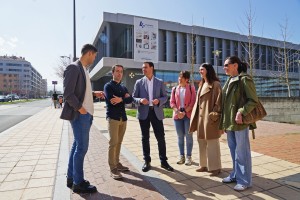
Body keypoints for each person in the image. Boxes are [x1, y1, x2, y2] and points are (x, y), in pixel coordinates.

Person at [60, 44, 104, 194]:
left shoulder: (83, 69)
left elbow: (80, 91)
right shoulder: (74, 67)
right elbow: (68, 94)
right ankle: (78, 183)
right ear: (90, 53)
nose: (94, 58)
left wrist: (93, 93)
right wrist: (81, 109)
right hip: (81, 115)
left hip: (85, 115)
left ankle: (71, 178)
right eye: (95, 56)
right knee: (82, 149)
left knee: (76, 147)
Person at [219, 56, 258, 191]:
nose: (224, 67)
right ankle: (235, 175)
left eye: (226, 65)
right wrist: (223, 123)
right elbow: (225, 104)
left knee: (242, 152)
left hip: (240, 122)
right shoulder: (229, 80)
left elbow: (253, 100)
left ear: (235, 65)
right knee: (233, 150)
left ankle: (245, 181)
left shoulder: (245, 79)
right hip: (230, 122)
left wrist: (241, 111)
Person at [132, 61, 174, 172]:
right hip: (144, 113)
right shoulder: (139, 82)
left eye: (145, 67)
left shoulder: (159, 82)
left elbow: (165, 97)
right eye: (142, 68)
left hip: (156, 113)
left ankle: (164, 161)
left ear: (152, 68)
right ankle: (147, 161)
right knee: (145, 138)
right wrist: (140, 100)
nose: (143, 69)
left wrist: (159, 100)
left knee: (161, 138)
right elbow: (133, 97)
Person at [189, 63, 222, 176]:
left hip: (210, 119)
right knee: (201, 142)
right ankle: (203, 165)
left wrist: (214, 115)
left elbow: (219, 102)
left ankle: (216, 167)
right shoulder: (202, 84)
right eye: (199, 70)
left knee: (212, 143)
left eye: (202, 69)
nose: (200, 71)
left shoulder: (216, 84)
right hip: (200, 119)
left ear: (208, 70)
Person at [104, 64, 133, 179]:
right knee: (113, 143)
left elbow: (129, 99)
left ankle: (117, 163)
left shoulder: (123, 87)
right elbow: (112, 101)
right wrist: (124, 98)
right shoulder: (108, 86)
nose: (119, 73)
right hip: (113, 118)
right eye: (117, 71)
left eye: (121, 71)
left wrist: (121, 98)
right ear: (113, 73)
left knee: (119, 142)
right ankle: (113, 168)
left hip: (123, 119)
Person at [170, 71, 196, 166]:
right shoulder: (174, 89)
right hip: (177, 116)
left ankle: (189, 157)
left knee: (189, 137)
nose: (179, 79)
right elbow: (172, 102)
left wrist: (184, 112)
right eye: (179, 77)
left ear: (186, 79)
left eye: (181, 77)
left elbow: (193, 102)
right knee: (180, 137)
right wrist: (177, 112)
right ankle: (182, 156)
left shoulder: (191, 88)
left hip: (187, 115)